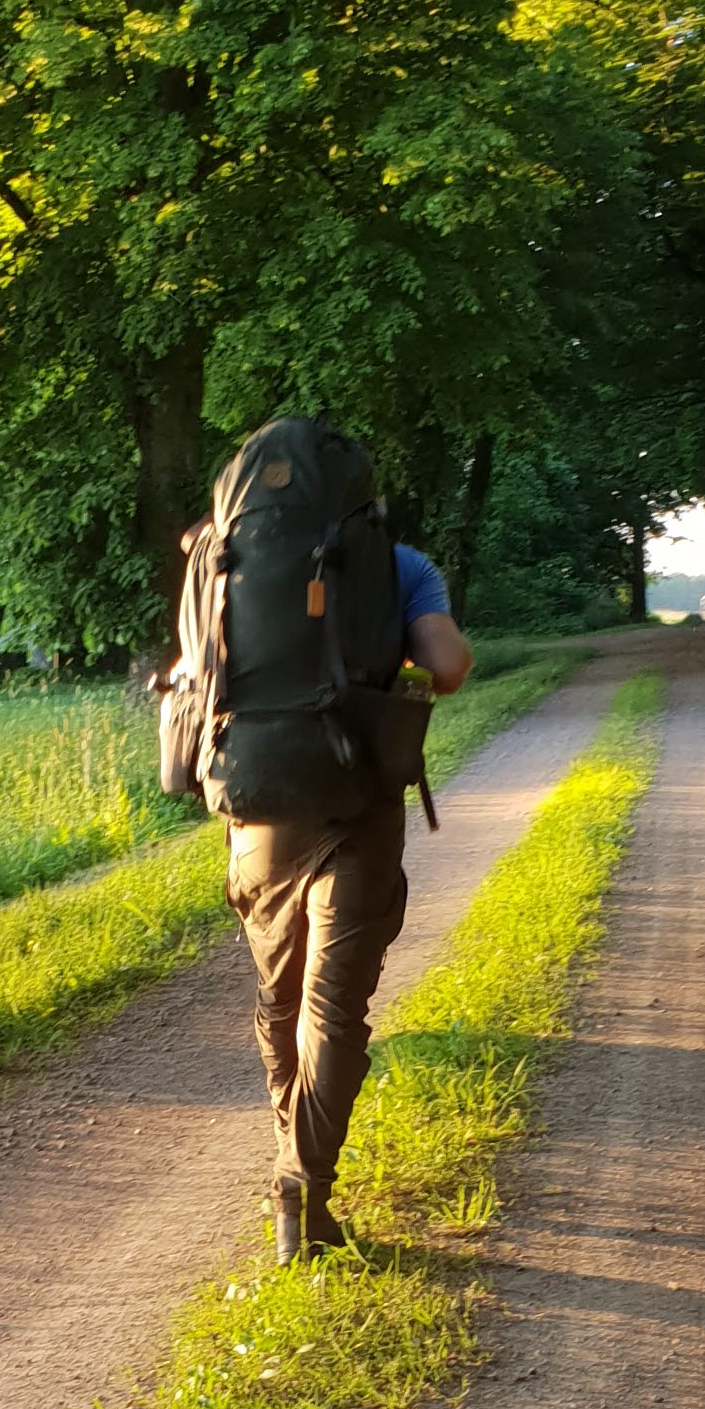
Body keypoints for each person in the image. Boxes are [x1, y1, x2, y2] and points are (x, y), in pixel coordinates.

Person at [187, 491, 472, 1263]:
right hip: (359, 803)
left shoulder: (221, 561)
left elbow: (195, 675)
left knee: (279, 1002)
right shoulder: (398, 565)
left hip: (258, 812)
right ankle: (303, 1183)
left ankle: (293, 1166)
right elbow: (446, 667)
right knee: (334, 1006)